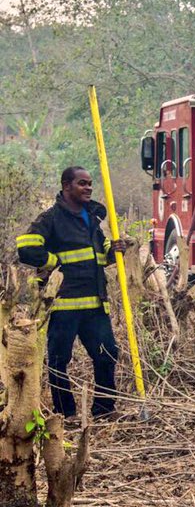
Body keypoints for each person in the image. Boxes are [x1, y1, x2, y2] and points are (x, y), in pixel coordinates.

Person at [17, 166, 127, 422]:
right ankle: (65, 414)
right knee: (58, 361)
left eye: (90, 183)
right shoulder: (51, 218)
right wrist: (54, 263)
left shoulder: (92, 217)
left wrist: (113, 251)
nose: (88, 188)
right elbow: (26, 247)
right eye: (82, 183)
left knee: (107, 354)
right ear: (66, 186)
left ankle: (104, 410)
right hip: (63, 305)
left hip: (95, 304)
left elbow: (98, 254)